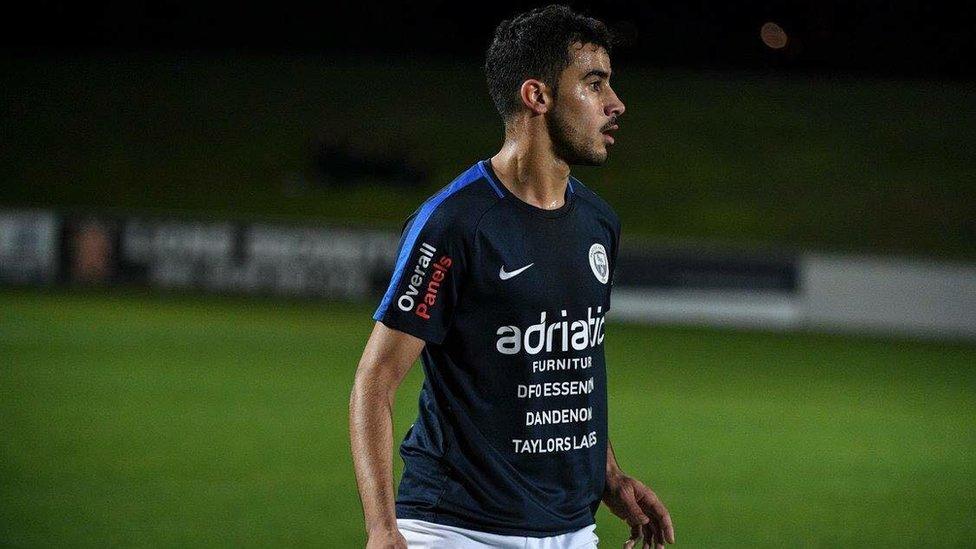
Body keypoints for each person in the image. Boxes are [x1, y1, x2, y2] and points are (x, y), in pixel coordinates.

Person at [349, 5, 675, 548]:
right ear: (537, 96)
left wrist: (610, 477)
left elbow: (577, 370)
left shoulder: (599, 224)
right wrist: (383, 531)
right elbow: (374, 381)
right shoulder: (456, 223)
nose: (616, 105)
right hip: (455, 528)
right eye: (594, 85)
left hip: (573, 529)